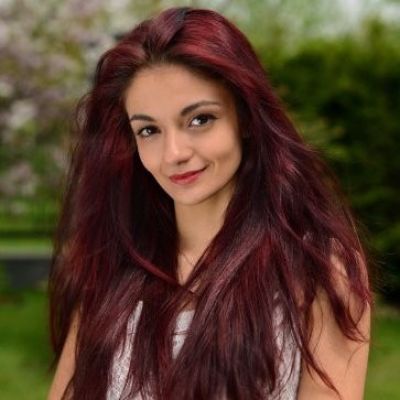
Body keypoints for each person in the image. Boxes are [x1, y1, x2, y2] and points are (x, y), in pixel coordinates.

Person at [47, 6, 372, 400]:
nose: (174, 153)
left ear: (246, 117)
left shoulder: (317, 268)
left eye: (199, 120)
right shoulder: (113, 265)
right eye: (149, 130)